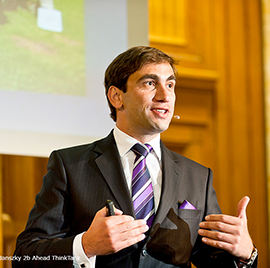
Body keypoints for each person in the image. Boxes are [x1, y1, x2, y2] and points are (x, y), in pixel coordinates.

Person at [12, 46, 258, 268]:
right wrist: (86, 245)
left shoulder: (198, 176)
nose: (165, 95)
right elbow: (25, 256)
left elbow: (213, 262)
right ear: (116, 96)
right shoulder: (71, 165)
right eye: (150, 83)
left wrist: (245, 253)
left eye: (170, 84)